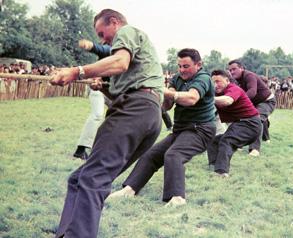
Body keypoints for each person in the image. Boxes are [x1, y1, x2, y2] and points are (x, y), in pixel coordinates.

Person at [50, 9, 164, 238]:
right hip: (148, 114)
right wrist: (103, 87)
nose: (102, 40)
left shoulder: (127, 31)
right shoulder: (139, 52)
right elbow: (125, 90)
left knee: (92, 178)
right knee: (78, 179)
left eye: (102, 33)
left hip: (134, 111)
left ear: (114, 22)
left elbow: (120, 63)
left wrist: (77, 71)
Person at [108, 48, 216, 206]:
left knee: (174, 155)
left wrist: (167, 92)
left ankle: (177, 198)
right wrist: (153, 93)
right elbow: (167, 105)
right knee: (150, 155)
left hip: (201, 130)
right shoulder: (178, 79)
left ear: (199, 64)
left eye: (186, 66)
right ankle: (130, 189)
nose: (181, 70)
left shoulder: (203, 78)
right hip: (181, 130)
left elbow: (192, 98)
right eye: (179, 66)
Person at [207, 70, 261, 177]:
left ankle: (221, 172)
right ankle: (213, 165)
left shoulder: (233, 89)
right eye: (213, 82)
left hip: (250, 124)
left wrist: (208, 99)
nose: (215, 85)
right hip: (239, 123)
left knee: (226, 140)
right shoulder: (216, 93)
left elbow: (227, 100)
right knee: (214, 140)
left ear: (227, 80)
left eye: (218, 81)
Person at [73, 39, 112, 160]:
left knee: (121, 114)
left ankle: (106, 147)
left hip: (110, 90)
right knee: (97, 115)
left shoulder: (121, 57)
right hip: (97, 88)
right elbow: (105, 49)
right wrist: (92, 46)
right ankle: (81, 149)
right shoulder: (109, 52)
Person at [228, 59, 276, 157]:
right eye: (230, 70)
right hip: (254, 103)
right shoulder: (235, 80)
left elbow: (252, 91)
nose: (232, 72)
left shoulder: (249, 75)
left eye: (234, 69)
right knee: (240, 119)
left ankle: (254, 149)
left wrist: (238, 102)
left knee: (257, 119)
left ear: (241, 68)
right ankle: (239, 143)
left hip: (266, 101)